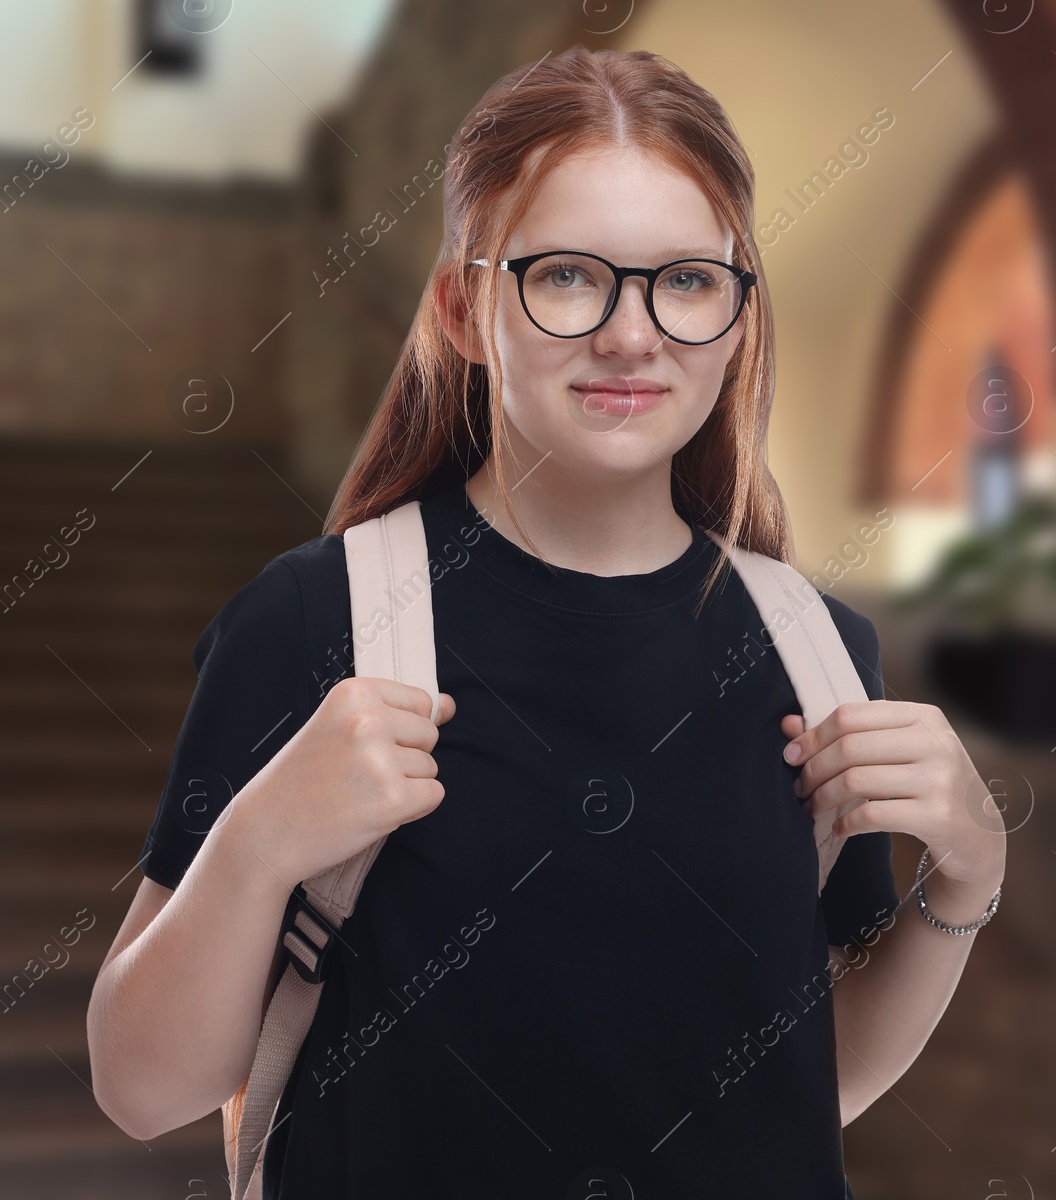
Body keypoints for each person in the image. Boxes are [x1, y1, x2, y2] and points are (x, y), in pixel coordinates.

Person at [86, 45, 1006, 1198]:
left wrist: (964, 884)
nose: (633, 334)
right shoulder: (315, 621)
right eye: (568, 275)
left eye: (684, 280)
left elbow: (804, 1088)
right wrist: (260, 843)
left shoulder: (818, 652)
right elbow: (139, 1087)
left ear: (734, 317)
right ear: (463, 309)